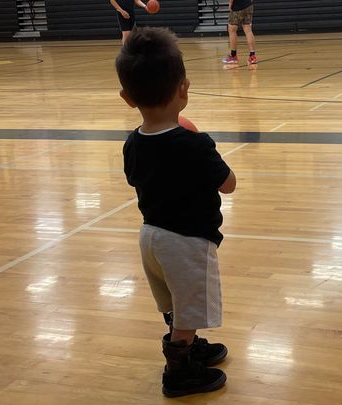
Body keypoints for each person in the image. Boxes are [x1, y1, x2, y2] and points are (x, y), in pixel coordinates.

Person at [117, 27, 237, 397]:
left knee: (173, 301)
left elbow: (133, 179)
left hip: (150, 237)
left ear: (127, 98)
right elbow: (228, 184)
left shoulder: (132, 143)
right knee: (190, 306)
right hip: (187, 242)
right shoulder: (194, 144)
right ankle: (179, 371)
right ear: (183, 89)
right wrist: (206, 151)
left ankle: (188, 344)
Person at [221, 0, 257, 64]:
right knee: (248, 30)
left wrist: (230, 3)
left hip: (237, 6)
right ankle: (252, 56)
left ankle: (233, 56)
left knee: (232, 30)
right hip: (248, 5)